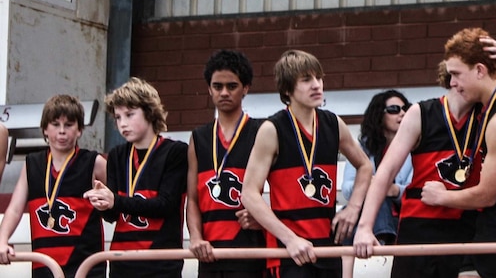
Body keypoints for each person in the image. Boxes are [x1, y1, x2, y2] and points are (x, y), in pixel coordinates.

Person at [353, 35, 496, 278]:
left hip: (465, 222)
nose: (456, 83)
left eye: (459, 75)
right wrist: (364, 227)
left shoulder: (489, 111)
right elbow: (384, 172)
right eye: (452, 77)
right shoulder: (421, 113)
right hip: (420, 223)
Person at [417, 28, 496, 278]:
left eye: (456, 74)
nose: (452, 82)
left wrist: (442, 197)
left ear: (479, 70)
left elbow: (487, 195)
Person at [241, 49, 373, 278]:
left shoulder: (333, 123)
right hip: (290, 251)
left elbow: (365, 166)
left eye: (319, 78)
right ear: (287, 89)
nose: (316, 85)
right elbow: (249, 193)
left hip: (327, 245)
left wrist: (353, 209)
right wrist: (289, 239)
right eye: (306, 80)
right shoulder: (272, 129)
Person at [85, 77, 189, 278]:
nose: (123, 123)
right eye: (117, 117)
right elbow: (113, 216)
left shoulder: (175, 152)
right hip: (122, 260)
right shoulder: (117, 155)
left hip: (161, 261)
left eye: (129, 115)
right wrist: (102, 204)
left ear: (150, 113)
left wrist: (115, 200)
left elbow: (166, 205)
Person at [0, 95, 108, 278]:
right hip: (44, 264)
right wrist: (2, 240)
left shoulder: (94, 162)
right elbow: (15, 209)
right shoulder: (32, 164)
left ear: (80, 129)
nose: (62, 131)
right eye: (55, 124)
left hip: (86, 264)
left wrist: (108, 202)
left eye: (69, 125)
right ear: (45, 129)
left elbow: (120, 202)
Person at [187, 50, 266, 277]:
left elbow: (283, 189)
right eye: (217, 86)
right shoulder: (199, 137)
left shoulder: (261, 131)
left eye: (232, 86)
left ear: (246, 88)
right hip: (209, 250)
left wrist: (263, 217)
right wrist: (195, 237)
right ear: (208, 89)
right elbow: (192, 198)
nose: (224, 92)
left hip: (250, 249)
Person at [340, 90, 413, 278]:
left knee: (379, 199)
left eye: (405, 109)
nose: (402, 113)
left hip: (400, 213)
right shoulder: (362, 148)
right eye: (394, 109)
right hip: (361, 213)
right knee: (351, 215)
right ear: (379, 114)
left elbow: (415, 188)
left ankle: (381, 240)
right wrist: (369, 184)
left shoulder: (414, 148)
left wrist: (394, 189)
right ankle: (381, 241)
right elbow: (348, 188)